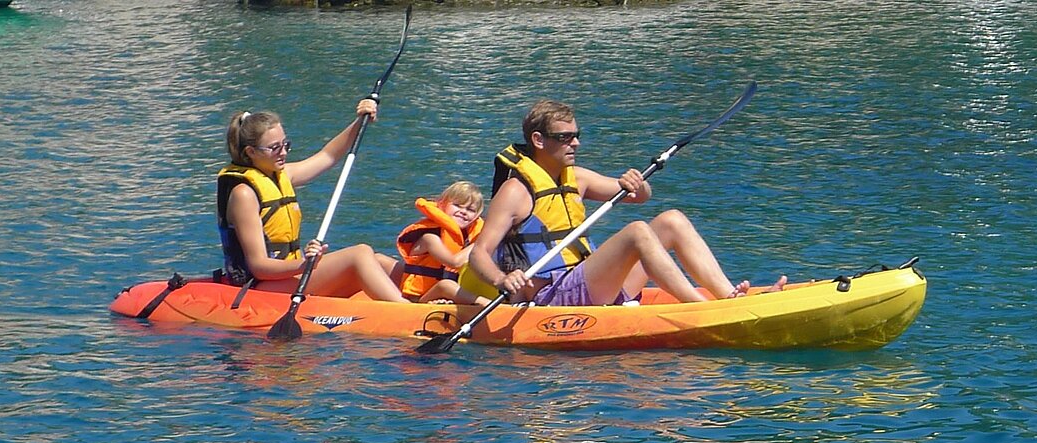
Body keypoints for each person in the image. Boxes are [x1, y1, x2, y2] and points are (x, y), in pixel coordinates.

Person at [468, 100, 785, 307]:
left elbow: (640, 196)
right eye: (565, 137)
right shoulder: (515, 191)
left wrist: (637, 183)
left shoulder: (577, 177)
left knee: (671, 220)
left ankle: (728, 298)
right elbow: (479, 254)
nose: (575, 142)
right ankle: (702, 310)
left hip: (591, 284)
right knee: (636, 232)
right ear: (538, 140)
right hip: (552, 295)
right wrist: (501, 279)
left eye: (576, 135)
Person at [216, 99, 407, 301]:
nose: (284, 153)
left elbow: (328, 155)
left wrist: (360, 122)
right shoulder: (243, 194)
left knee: (379, 261)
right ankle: (405, 308)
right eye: (274, 148)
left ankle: (425, 294)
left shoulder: (282, 175)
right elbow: (259, 267)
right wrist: (304, 264)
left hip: (288, 277)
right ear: (251, 152)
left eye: (285, 145)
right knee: (360, 254)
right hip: (260, 287)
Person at [394, 181, 492, 305]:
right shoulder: (429, 238)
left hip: (443, 296)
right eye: (457, 205)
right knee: (445, 285)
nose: (463, 211)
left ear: (476, 216)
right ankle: (488, 304)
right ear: (442, 204)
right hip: (418, 299)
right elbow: (454, 263)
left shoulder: (467, 239)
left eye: (470, 210)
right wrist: (481, 242)